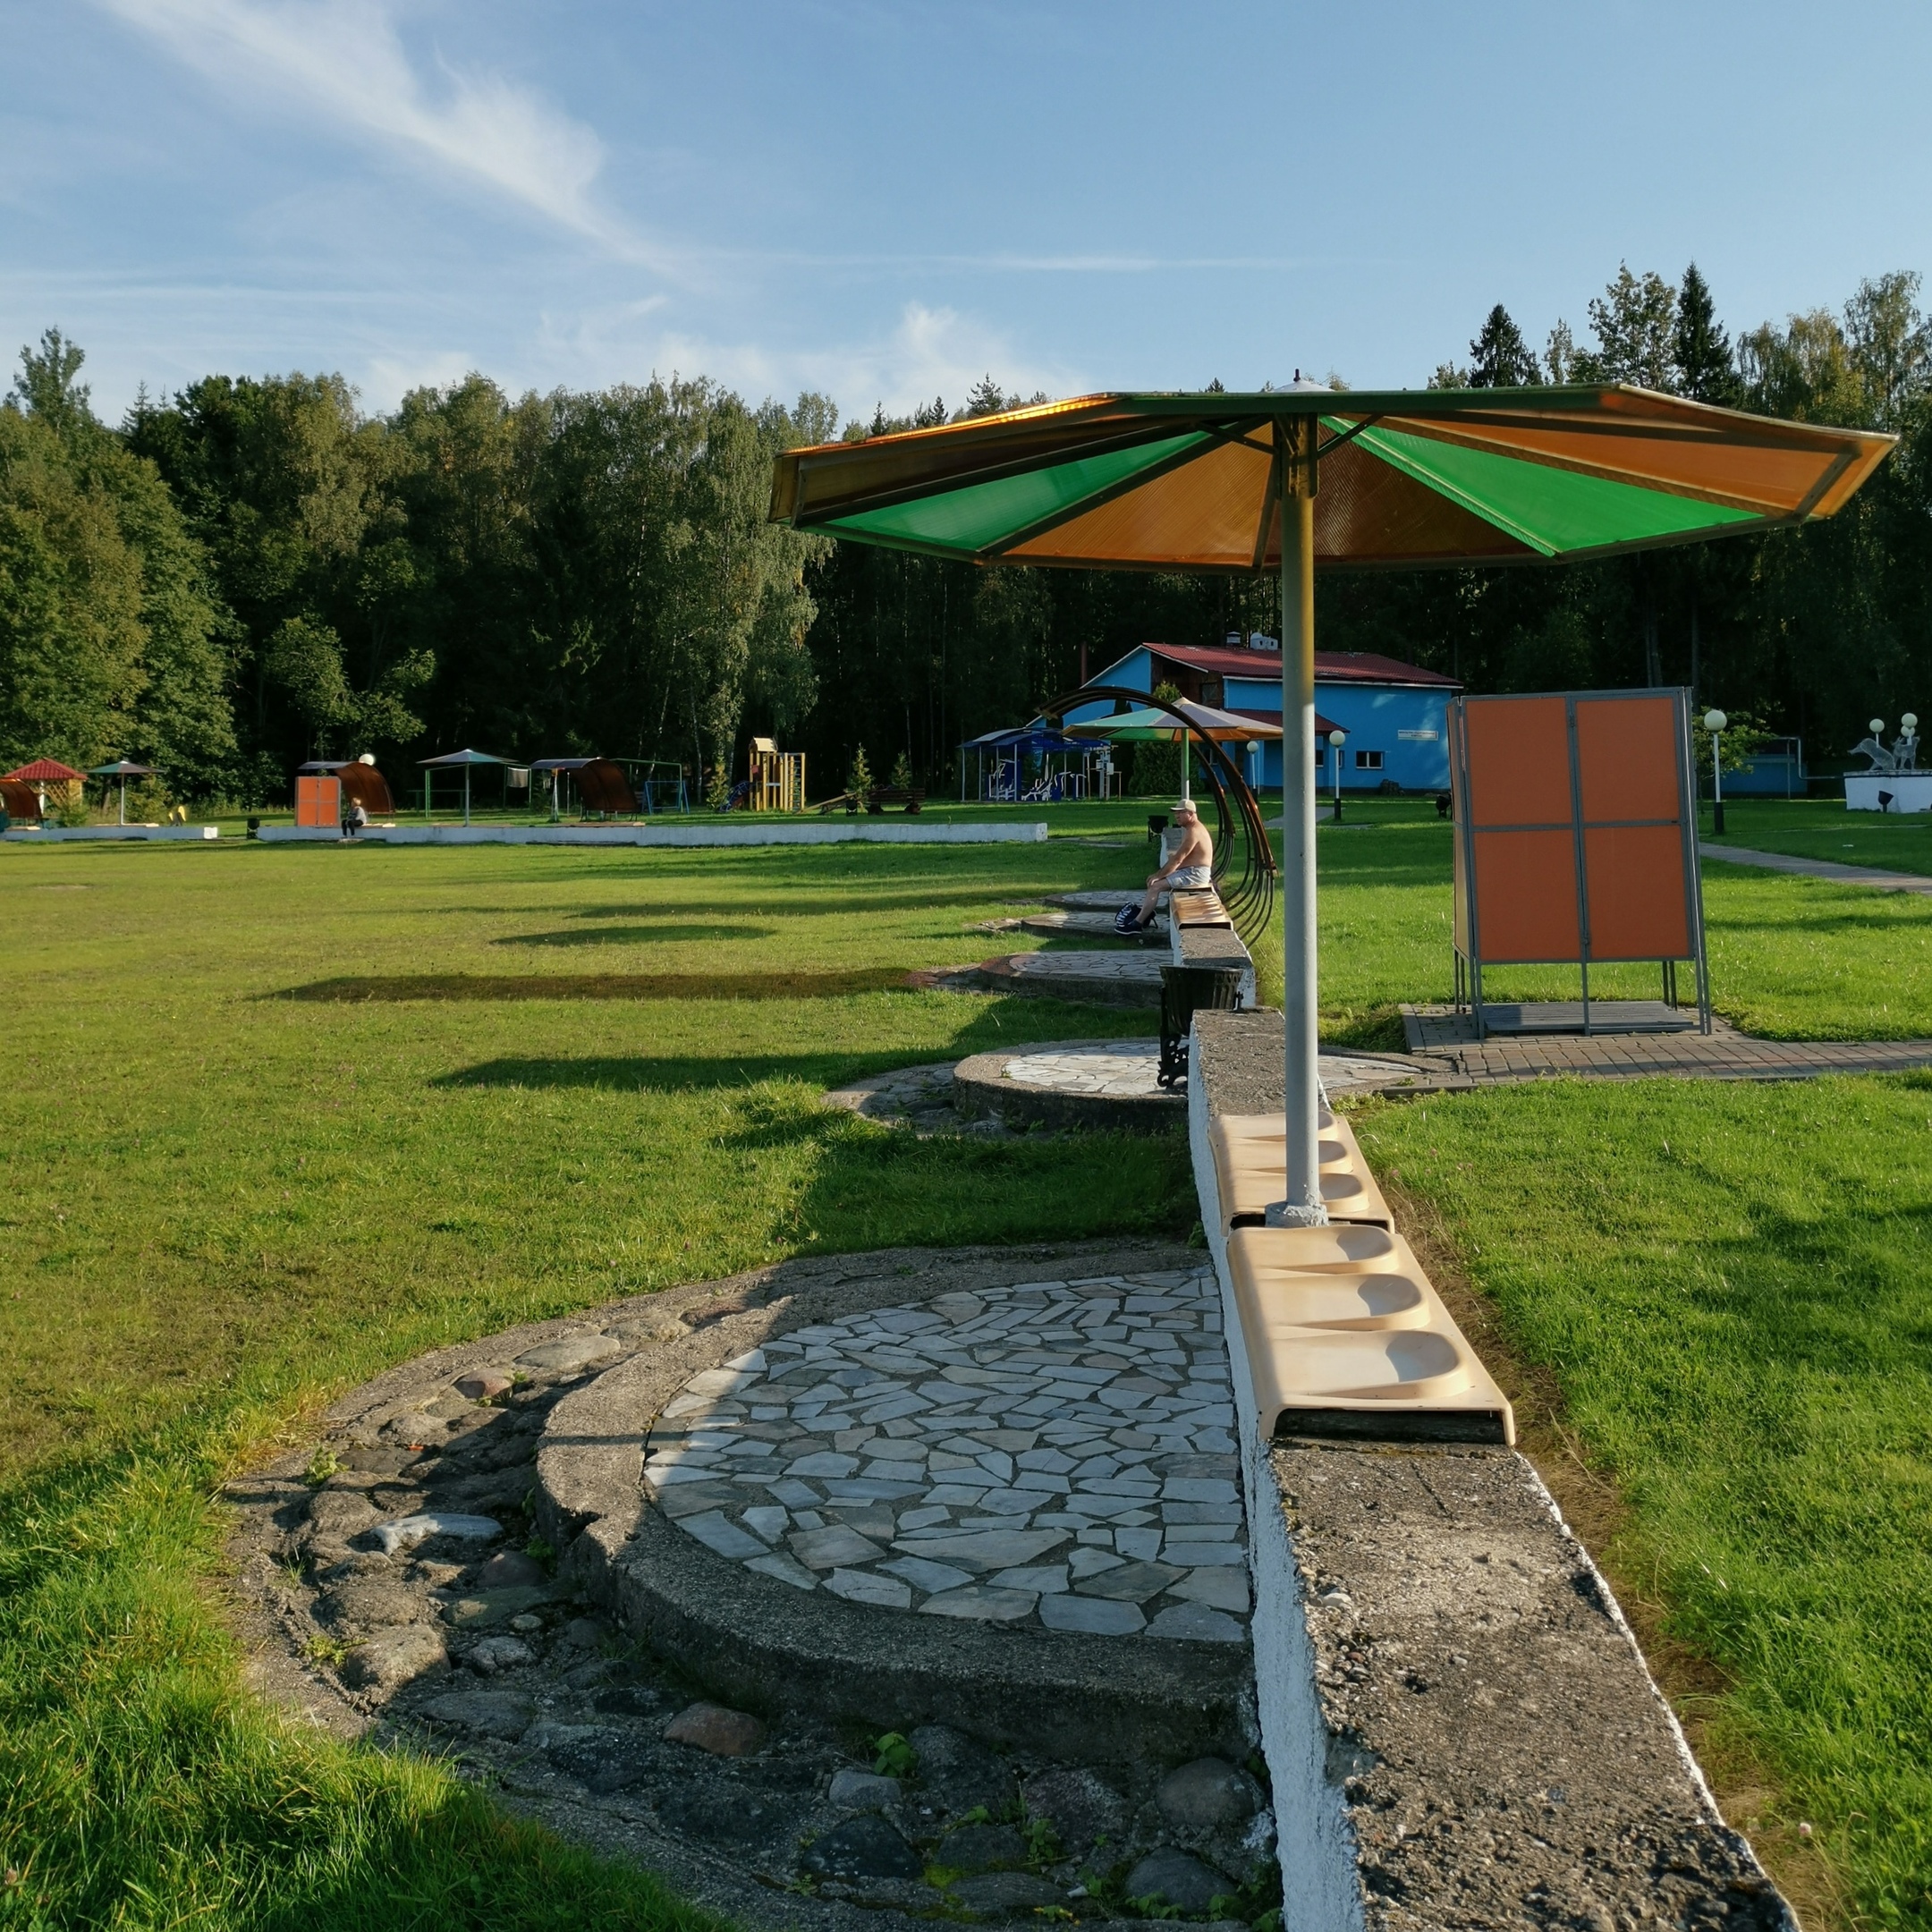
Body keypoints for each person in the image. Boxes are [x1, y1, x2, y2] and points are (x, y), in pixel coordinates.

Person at [1116, 798, 1213, 932]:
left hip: (1195, 874)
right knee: (1155, 882)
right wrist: (1162, 874)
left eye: (1180, 813)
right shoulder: (1193, 829)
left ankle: (1137, 924)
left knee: (1155, 886)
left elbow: (1178, 860)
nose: (1177, 816)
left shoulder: (1194, 832)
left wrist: (1158, 875)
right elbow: (1182, 860)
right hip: (1193, 871)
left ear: (1191, 814)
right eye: (1176, 813)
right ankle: (1145, 914)